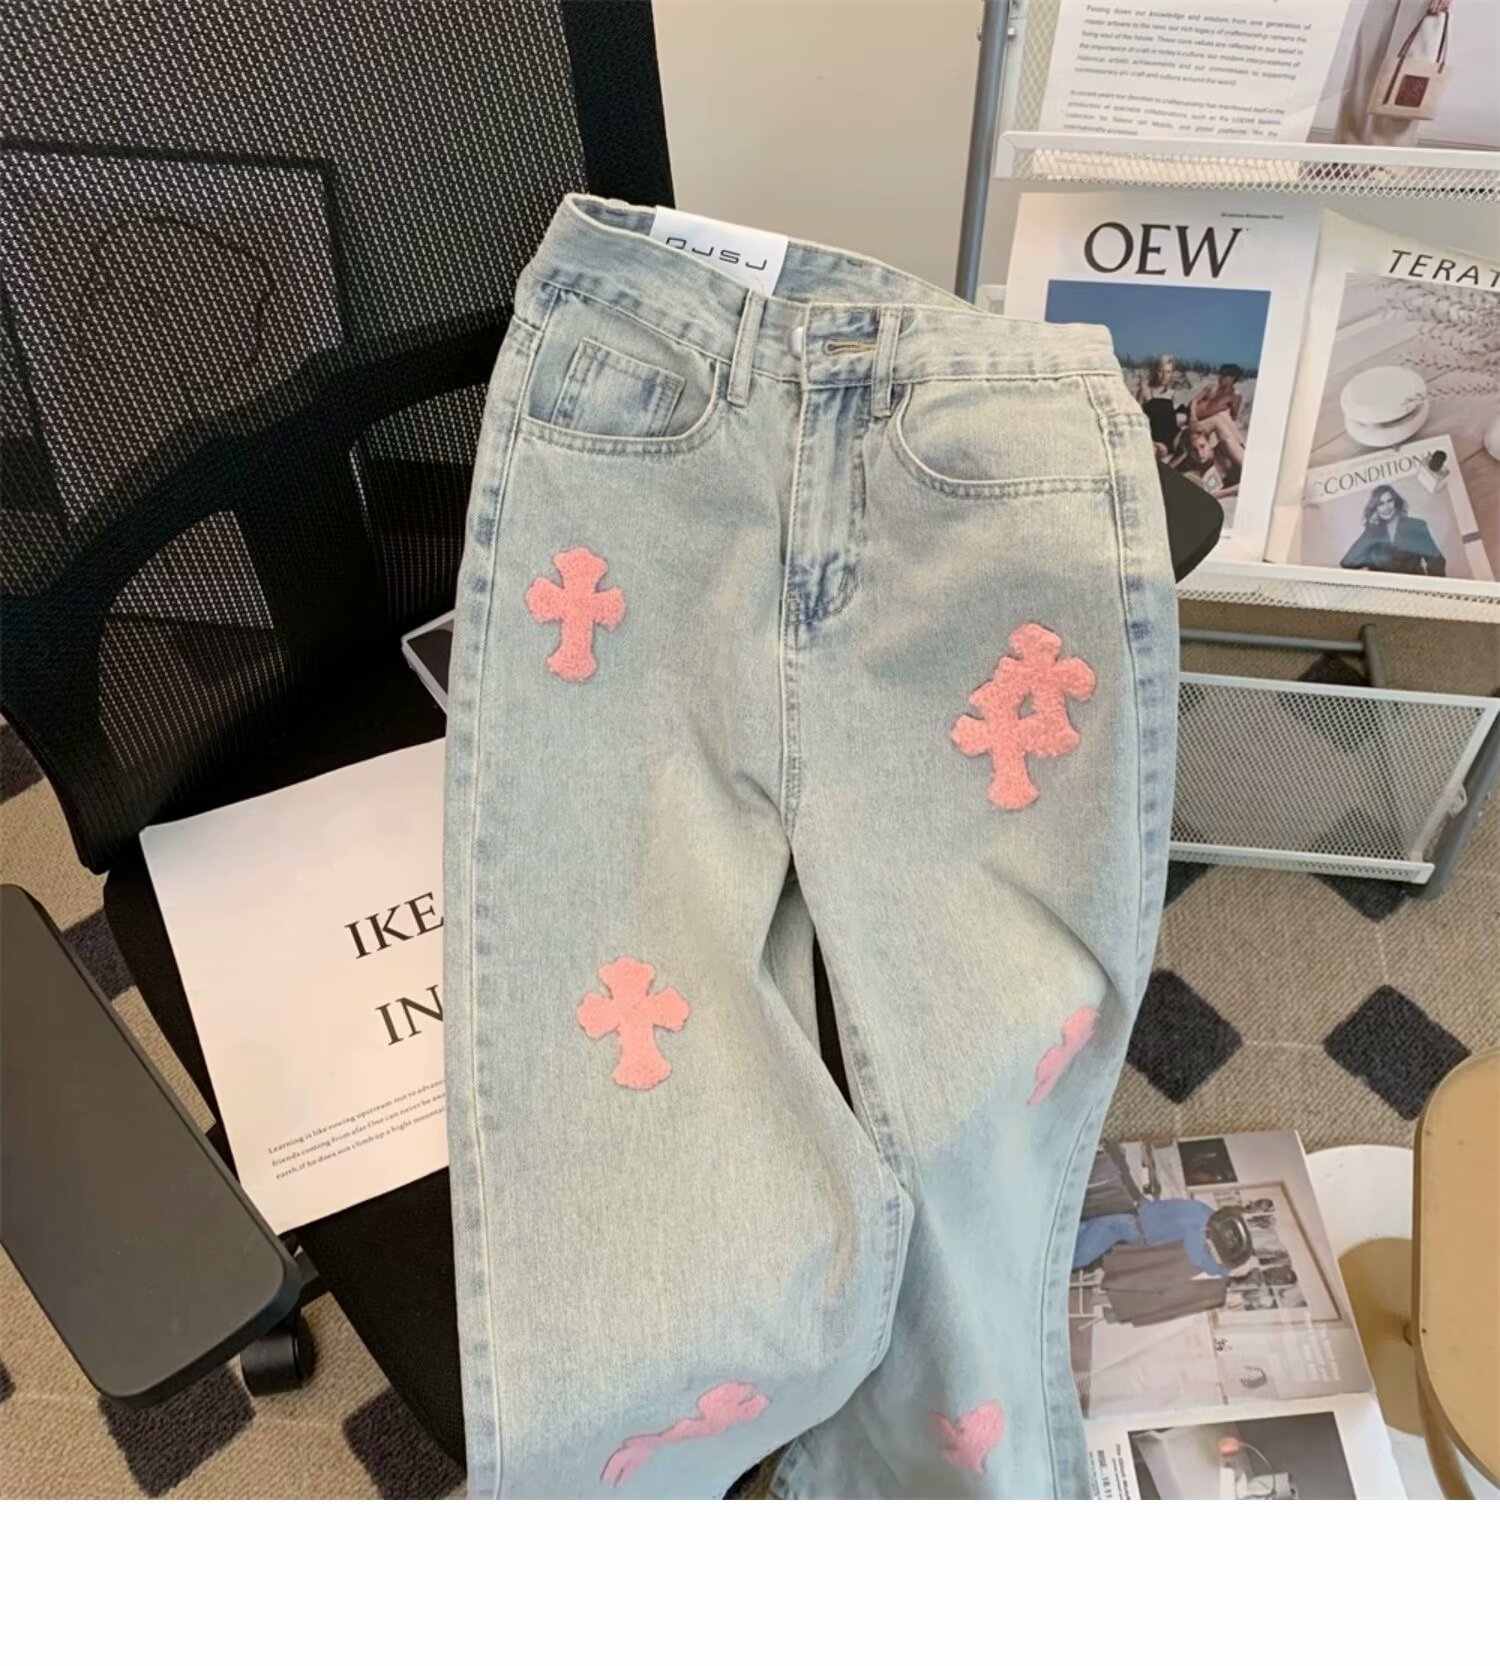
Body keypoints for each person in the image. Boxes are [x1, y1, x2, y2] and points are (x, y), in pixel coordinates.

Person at [1072, 1197, 1253, 1277]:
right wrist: (1225, 1271)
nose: (1212, 1246)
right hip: (1125, 1225)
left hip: (1131, 1221)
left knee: (1078, 1233)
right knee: (1078, 1258)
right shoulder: (1197, 1223)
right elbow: (1197, 1258)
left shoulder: (1204, 1211)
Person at [1340, 484, 1447, 576]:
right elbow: (1348, 563)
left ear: (1396, 502)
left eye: (1389, 501)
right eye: (1380, 504)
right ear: (1375, 509)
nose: (1387, 507)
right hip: (1387, 592)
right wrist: (1370, 531)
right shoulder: (1372, 534)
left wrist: (1432, 588)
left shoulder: (1416, 526)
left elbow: (1436, 560)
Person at [1136, 354, 1179, 452]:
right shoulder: (1145, 391)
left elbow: (1172, 420)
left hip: (1171, 439)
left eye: (1168, 372)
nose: (1164, 376)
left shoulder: (1172, 393)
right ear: (1155, 371)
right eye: (1161, 371)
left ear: (1172, 374)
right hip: (1152, 440)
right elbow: (1137, 418)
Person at [1189, 363, 1246, 436]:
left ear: (1233, 378)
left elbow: (1233, 417)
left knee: (1221, 416)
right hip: (1193, 418)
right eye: (1220, 374)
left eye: (1224, 376)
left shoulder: (1235, 396)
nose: (1220, 378)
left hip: (1210, 423)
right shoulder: (1211, 388)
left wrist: (1233, 406)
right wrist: (1193, 416)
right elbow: (1194, 400)